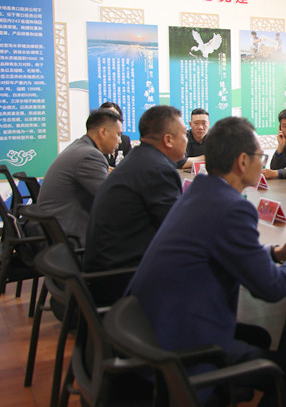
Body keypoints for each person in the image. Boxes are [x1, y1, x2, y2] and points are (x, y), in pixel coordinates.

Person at [126, 116, 286, 406]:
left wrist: (275, 253)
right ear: (242, 161)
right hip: (179, 346)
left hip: (150, 328)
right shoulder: (232, 208)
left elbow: (220, 248)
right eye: (260, 156)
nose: (262, 162)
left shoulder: (199, 192)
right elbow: (270, 288)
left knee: (257, 337)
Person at [83, 105, 187, 305]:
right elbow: (179, 230)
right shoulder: (157, 169)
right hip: (121, 280)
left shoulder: (140, 159)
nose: (186, 139)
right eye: (184, 134)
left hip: (105, 270)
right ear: (168, 140)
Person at [36, 109, 122, 245]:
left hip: (54, 228)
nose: (120, 141)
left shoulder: (80, 147)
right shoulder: (89, 155)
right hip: (69, 234)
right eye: (118, 134)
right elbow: (111, 199)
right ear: (103, 132)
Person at [99, 101, 132, 167]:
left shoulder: (124, 140)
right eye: (110, 118)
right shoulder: (95, 143)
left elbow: (131, 164)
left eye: (117, 118)